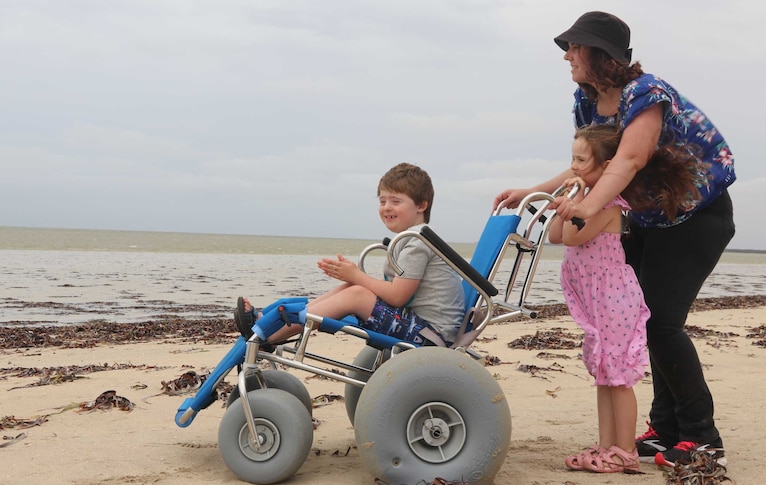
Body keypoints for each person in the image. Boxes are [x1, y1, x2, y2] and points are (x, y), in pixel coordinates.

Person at [493, 11, 736, 468]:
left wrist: (587, 207)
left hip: (696, 217)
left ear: (599, 53)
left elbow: (629, 159)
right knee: (646, 323)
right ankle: (665, 431)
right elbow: (589, 164)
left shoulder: (647, 93)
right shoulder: (587, 103)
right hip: (645, 219)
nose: (567, 56)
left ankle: (702, 436)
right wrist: (535, 191)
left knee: (662, 322)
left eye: (574, 47)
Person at [236, 162, 465, 350]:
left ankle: (269, 332)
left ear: (421, 205)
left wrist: (356, 275)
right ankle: (273, 328)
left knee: (356, 293)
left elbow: (397, 297)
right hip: (422, 327)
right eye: (382, 200)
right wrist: (353, 277)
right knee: (350, 288)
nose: (386, 207)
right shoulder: (413, 238)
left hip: (431, 338)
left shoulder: (417, 242)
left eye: (396, 201)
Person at [550, 125, 652, 473]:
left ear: (607, 166)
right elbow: (553, 234)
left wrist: (574, 206)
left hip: (613, 297)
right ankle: (606, 444)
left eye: (581, 160)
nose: (574, 166)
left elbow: (571, 240)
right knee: (604, 373)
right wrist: (561, 204)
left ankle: (626, 451)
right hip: (598, 299)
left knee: (618, 375)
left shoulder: (607, 205)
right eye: (572, 159)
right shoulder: (583, 201)